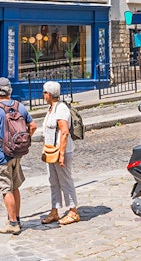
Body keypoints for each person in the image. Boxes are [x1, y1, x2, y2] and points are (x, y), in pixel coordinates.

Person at [0, 77, 36, 235]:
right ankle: (17, 218)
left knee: (6, 189)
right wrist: (24, 141)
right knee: (15, 187)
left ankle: (12, 223)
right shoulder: (20, 107)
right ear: (10, 91)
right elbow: (33, 126)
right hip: (17, 154)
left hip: (1, 155)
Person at [40, 80, 79, 226]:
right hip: (51, 151)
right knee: (53, 181)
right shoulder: (51, 108)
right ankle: (54, 210)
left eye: (44, 92)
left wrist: (61, 154)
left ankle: (73, 211)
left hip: (61, 151)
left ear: (49, 94)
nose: (43, 95)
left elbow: (64, 132)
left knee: (65, 181)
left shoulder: (61, 109)